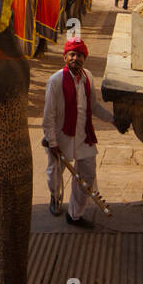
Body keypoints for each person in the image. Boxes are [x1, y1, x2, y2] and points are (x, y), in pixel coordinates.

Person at [42, 38, 111, 225]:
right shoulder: (55, 81)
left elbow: (94, 106)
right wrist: (52, 141)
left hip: (83, 135)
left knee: (87, 174)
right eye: (72, 54)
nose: (76, 58)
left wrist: (112, 119)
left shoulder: (88, 77)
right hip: (61, 136)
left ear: (84, 58)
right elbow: (48, 115)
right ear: (65, 57)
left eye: (79, 55)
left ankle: (74, 214)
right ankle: (55, 198)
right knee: (55, 173)